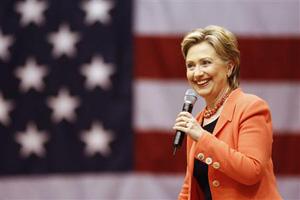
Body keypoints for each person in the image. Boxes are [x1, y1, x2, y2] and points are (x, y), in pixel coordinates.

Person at [173, 25, 282, 200]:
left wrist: (202, 137)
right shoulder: (199, 121)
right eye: (191, 65)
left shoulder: (251, 107)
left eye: (205, 63)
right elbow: (189, 188)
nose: (197, 73)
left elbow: (251, 171)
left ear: (230, 67)